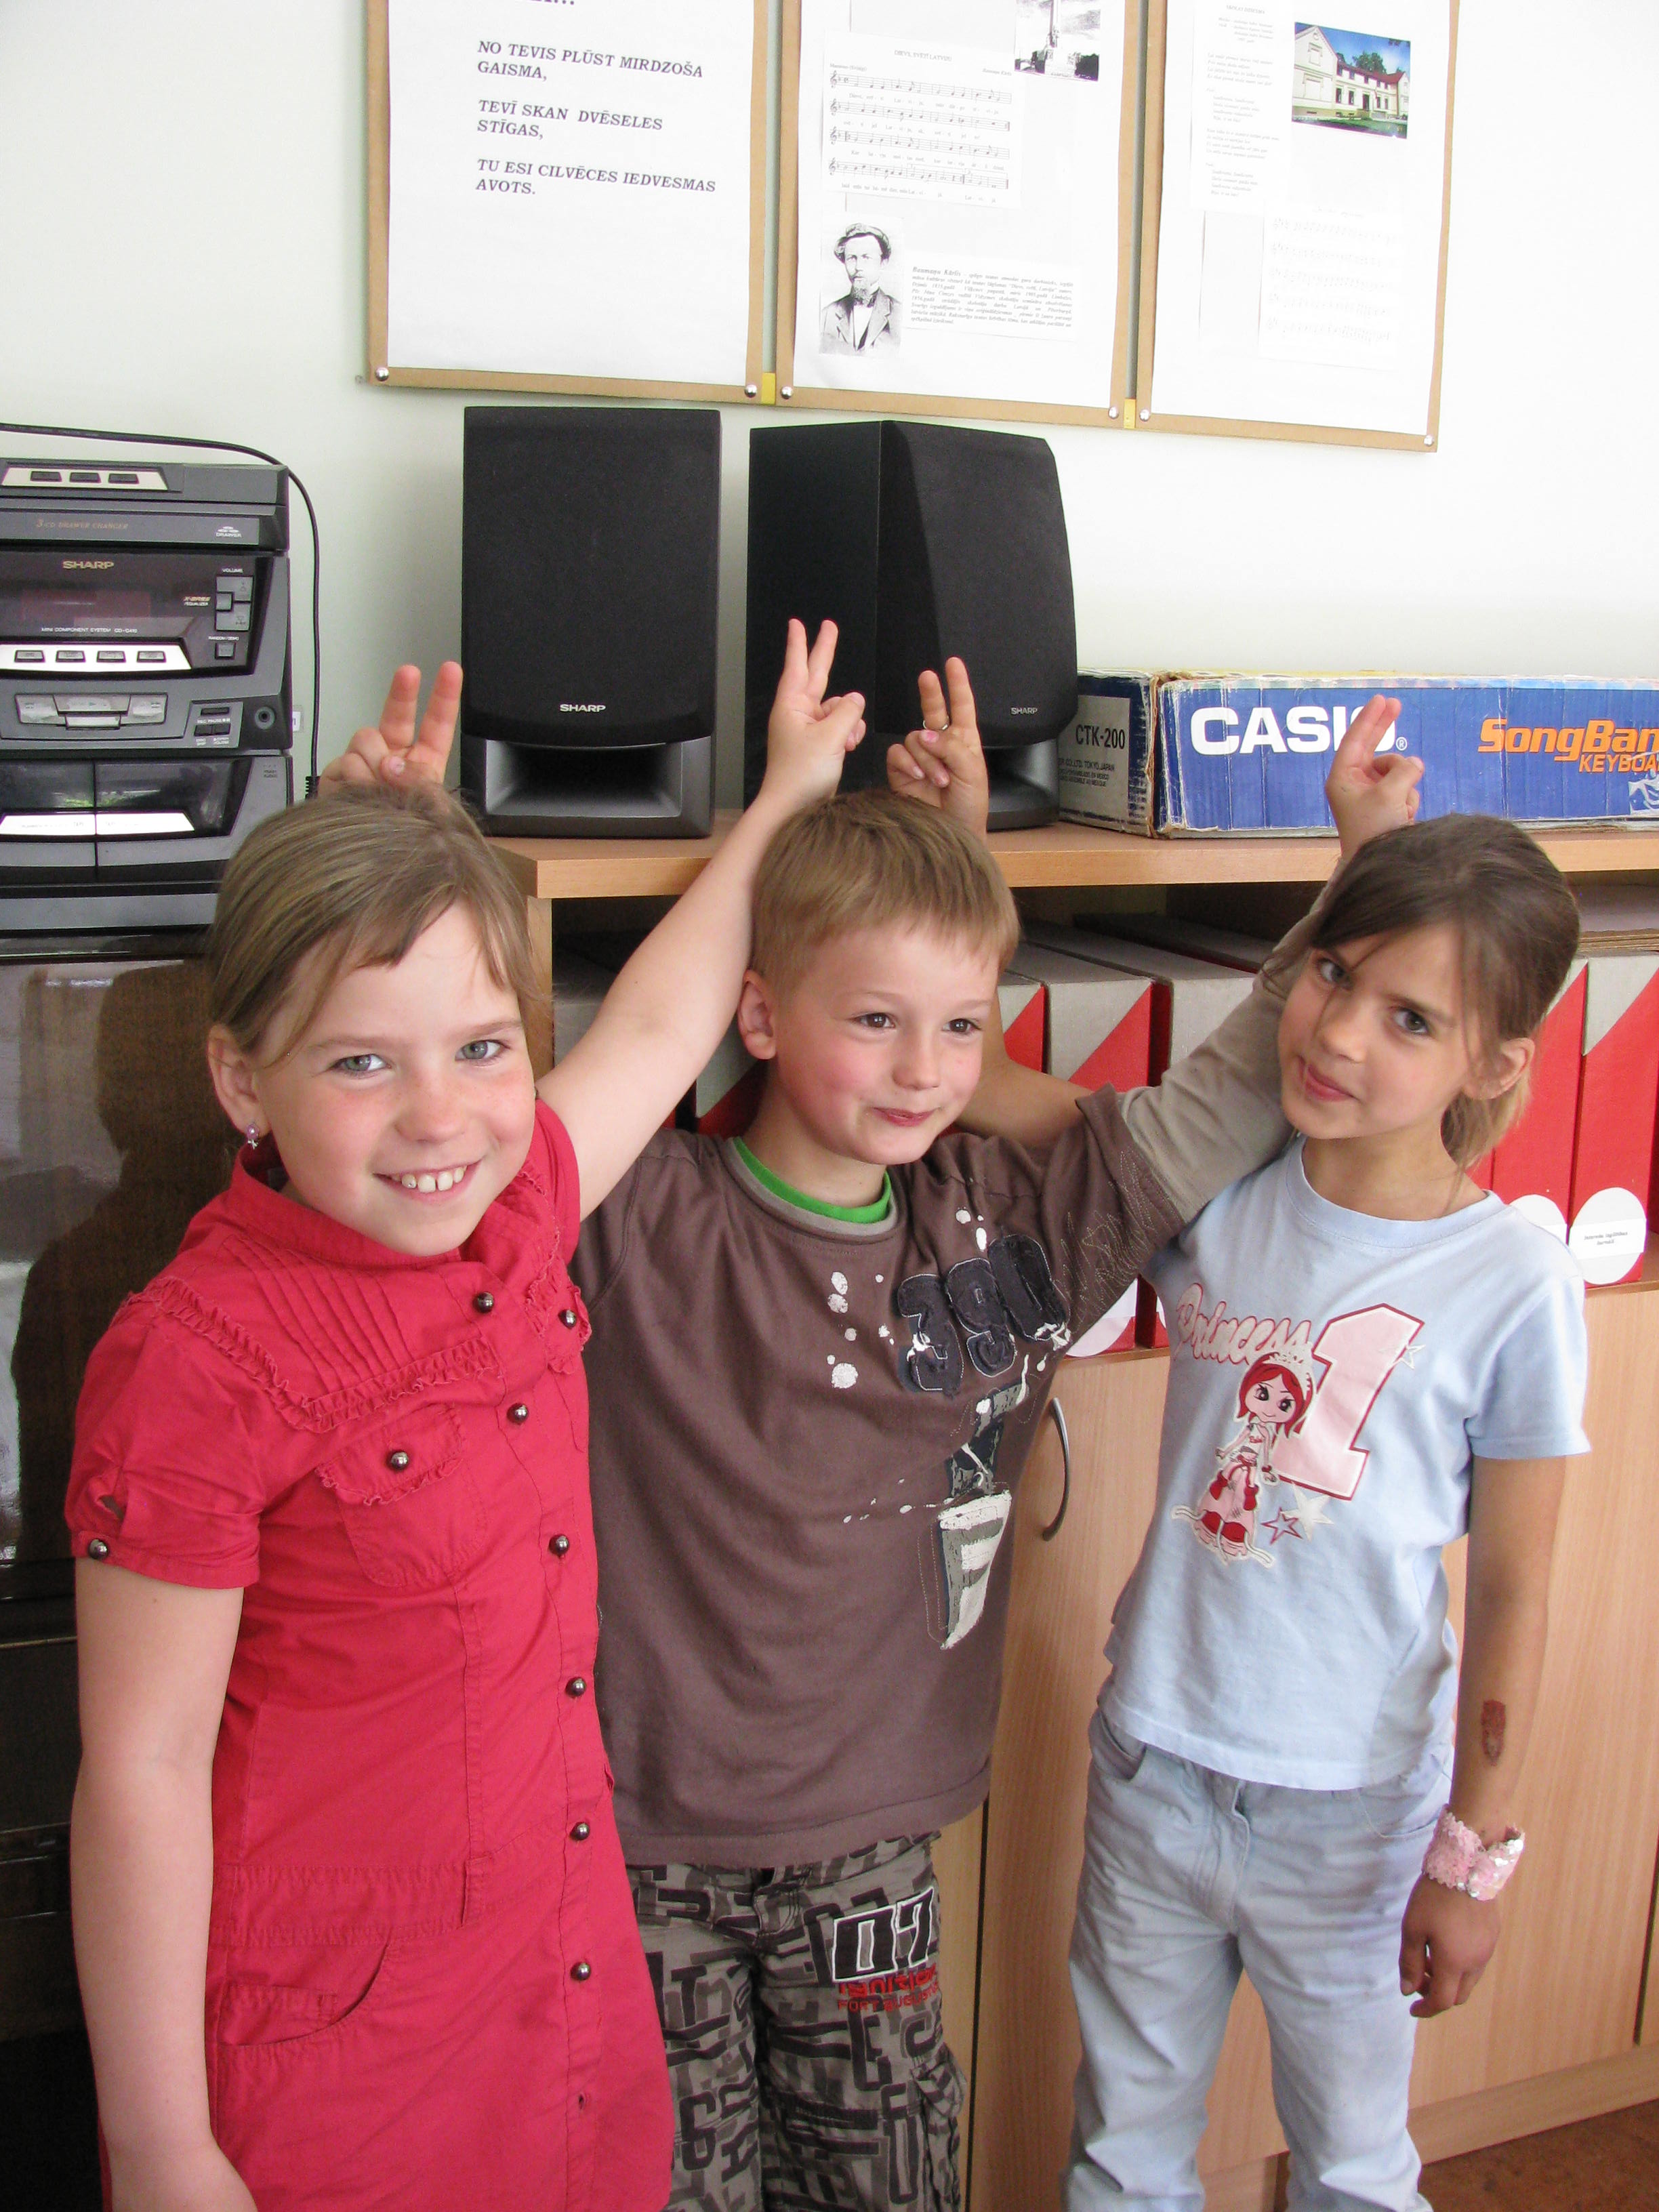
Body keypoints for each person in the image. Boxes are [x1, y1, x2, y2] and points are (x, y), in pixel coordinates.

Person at [366, 658, 1416, 2211]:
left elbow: (1219, 1099)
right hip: (637, 1844)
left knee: (888, 2182)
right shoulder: (639, 1220)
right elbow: (480, 1121)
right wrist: (411, 864)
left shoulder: (1007, 1231)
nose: (925, 1070)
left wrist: (1358, 876)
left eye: (959, 1027)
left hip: (872, 1859)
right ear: (761, 1014)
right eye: (873, 1021)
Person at [64, 621, 869, 2212]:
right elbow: (140, 1773)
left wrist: (783, 798)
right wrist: (159, 2145)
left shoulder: (514, 1216)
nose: (440, 1116)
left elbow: (660, 1027)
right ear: (243, 1082)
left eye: (484, 1048)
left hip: (554, 2000)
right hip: (337, 2071)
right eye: (361, 1061)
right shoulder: (195, 1360)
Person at [1064, 813, 1591, 2212]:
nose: (1341, 1033)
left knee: (1353, 2167)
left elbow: (1515, 1590)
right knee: (1121, 2152)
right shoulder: (1218, 1203)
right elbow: (1057, 1132)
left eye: (1410, 1018)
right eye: (1334, 973)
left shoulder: (1514, 1280)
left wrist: (1472, 1858)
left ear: (1494, 1064)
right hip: (1155, 1767)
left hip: (1355, 1816)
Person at [821, 224, 901, 353]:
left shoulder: (899, 314)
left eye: (866, 258)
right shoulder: (827, 315)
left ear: (883, 263)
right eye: (852, 258)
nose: (858, 267)